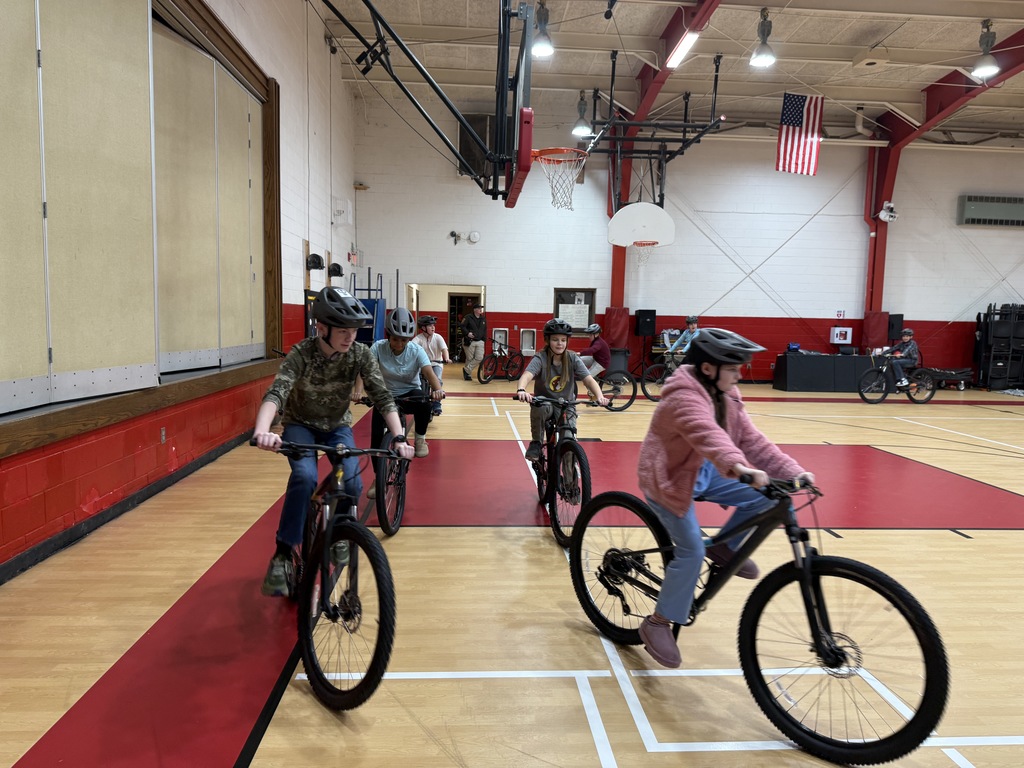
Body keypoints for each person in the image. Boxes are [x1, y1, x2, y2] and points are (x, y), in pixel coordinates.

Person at [635, 328, 814, 668]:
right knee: (690, 550)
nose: (740, 374)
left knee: (770, 496)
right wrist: (740, 467)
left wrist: (793, 471)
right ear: (708, 369)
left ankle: (725, 548)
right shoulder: (682, 396)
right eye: (734, 368)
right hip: (668, 477)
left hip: (703, 470)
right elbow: (709, 435)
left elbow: (752, 439)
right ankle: (658, 622)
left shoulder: (728, 394)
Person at [252, 287, 415, 598]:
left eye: (353, 331)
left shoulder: (359, 354)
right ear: (321, 328)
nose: (350, 337)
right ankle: (283, 554)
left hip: (337, 427)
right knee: (304, 477)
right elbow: (277, 393)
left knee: (351, 482)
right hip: (301, 427)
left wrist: (398, 436)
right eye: (343, 330)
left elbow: (382, 396)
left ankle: (339, 532)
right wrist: (263, 431)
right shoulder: (301, 353)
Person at [515, 318, 609, 460]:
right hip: (546, 403)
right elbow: (527, 375)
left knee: (569, 443)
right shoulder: (541, 358)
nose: (560, 343)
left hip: (565, 404)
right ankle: (536, 443)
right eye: (555, 340)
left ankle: (570, 479)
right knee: (538, 405)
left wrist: (599, 396)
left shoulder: (572, 358)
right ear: (547, 340)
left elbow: (589, 379)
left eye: (563, 340)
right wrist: (521, 390)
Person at [365, 307, 444, 467]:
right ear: (388, 336)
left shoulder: (416, 350)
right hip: (385, 396)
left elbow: (429, 373)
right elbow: (365, 370)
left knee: (424, 402)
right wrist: (359, 392)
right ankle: (377, 478)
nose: (400, 343)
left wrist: (437, 390)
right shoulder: (378, 348)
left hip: (409, 394)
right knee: (376, 439)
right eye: (395, 339)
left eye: (404, 340)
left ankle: (420, 439)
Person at [412, 314, 451, 416]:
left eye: (434, 325)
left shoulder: (438, 337)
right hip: (422, 365)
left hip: (436, 363)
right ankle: (419, 401)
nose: (433, 327)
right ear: (423, 328)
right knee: (417, 381)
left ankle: (437, 404)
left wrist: (446, 358)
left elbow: (444, 349)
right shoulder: (418, 339)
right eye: (430, 325)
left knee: (437, 380)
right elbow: (411, 349)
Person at [460, 304, 486, 381]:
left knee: (479, 358)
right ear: (474, 310)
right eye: (479, 308)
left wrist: (483, 339)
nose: (481, 310)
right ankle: (468, 375)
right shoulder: (468, 317)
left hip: (480, 341)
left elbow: (485, 330)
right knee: (470, 358)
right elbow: (462, 326)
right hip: (469, 341)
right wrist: (467, 333)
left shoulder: (483, 319)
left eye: (481, 308)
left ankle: (466, 370)